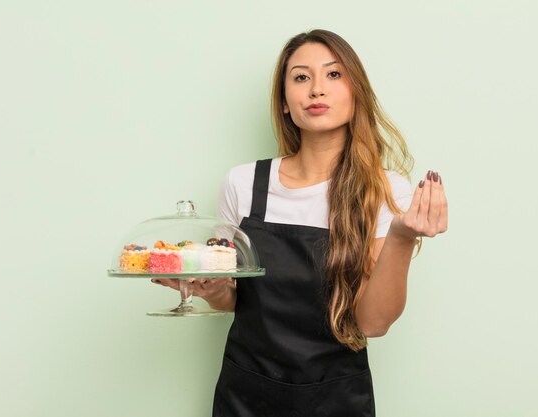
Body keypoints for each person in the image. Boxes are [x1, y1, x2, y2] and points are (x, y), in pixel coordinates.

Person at [153, 29, 448, 417]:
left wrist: (401, 236)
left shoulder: (384, 190)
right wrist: (209, 288)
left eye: (333, 74)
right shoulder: (243, 184)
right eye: (301, 77)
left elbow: (373, 324)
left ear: (356, 94)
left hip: (337, 399)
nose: (316, 90)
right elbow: (233, 300)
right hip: (246, 395)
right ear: (285, 104)